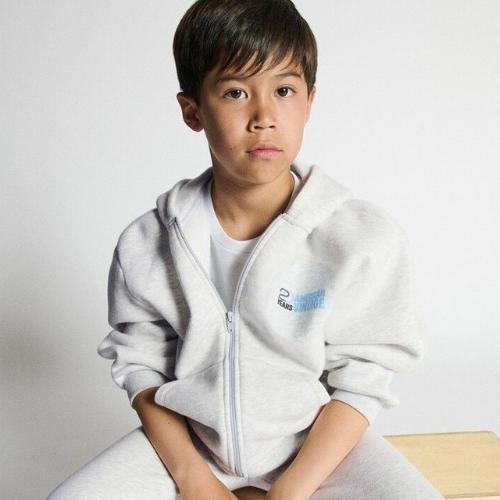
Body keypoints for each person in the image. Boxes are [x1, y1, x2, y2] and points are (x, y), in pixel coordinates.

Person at [46, 1, 444, 499]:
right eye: (235, 92)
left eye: (283, 91)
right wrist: (193, 478)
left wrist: (291, 490)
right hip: (190, 445)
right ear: (193, 110)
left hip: (316, 447)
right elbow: (141, 365)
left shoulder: (360, 238)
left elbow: (363, 378)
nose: (264, 117)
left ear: (309, 102)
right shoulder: (148, 243)